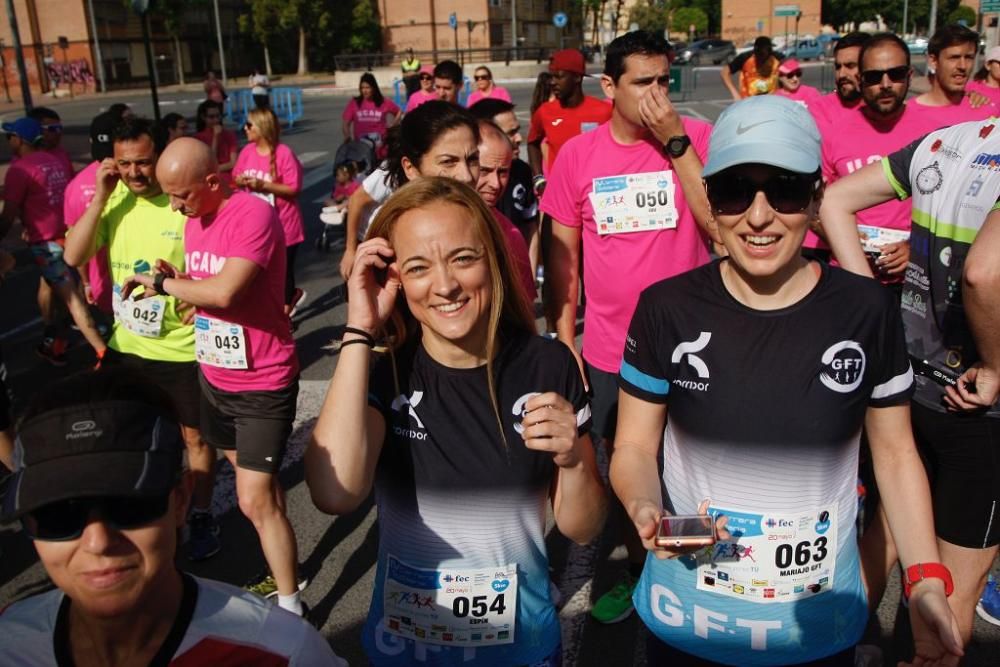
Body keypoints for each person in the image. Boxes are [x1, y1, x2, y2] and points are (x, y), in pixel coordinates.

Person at [613, 93, 963, 666]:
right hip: (690, 618)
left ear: (817, 198)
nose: (758, 215)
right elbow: (632, 445)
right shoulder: (665, 308)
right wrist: (647, 508)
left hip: (814, 626)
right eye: (733, 191)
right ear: (710, 199)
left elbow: (897, 456)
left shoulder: (866, 310)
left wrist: (925, 578)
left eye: (784, 189)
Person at [307, 176, 606, 666]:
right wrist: (361, 327)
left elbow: (584, 528)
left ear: (491, 258)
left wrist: (572, 461)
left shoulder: (549, 366)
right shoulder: (386, 371)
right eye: (419, 267)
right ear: (395, 277)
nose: (445, 286)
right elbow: (334, 493)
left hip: (519, 648)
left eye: (463, 259)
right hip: (404, 649)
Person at [540, 30, 713, 626]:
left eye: (665, 81)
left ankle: (681, 575)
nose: (657, 96)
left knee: (688, 469)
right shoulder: (578, 159)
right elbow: (561, 257)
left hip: (696, 351)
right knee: (623, 465)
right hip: (613, 352)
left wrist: (677, 145)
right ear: (609, 87)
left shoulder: (693, 140)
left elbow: (719, 226)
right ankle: (637, 570)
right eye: (643, 83)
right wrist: (566, 341)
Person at [0, 368, 346, 665]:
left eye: (129, 505)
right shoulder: (8, 642)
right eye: (57, 514)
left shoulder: (283, 653)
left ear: (181, 499)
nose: (98, 541)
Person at [821, 114, 1000, 649]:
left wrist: (871, 307)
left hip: (911, 385)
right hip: (977, 407)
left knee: (886, 538)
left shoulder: (952, 138)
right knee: (951, 599)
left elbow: (834, 201)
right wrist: (993, 367)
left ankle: (825, 652)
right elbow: (983, 274)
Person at [122, 137, 306, 614]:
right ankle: (285, 562)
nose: (175, 205)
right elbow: (203, 286)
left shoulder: (251, 215)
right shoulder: (195, 219)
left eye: (181, 194)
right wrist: (176, 283)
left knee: (251, 499)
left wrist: (161, 283)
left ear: (211, 181)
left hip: (261, 380)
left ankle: (291, 608)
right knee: (262, 495)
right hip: (215, 375)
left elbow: (225, 292)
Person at [64, 116, 221, 563]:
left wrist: (196, 291)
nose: (134, 173)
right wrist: (99, 198)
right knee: (120, 434)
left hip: (182, 348)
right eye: (125, 163)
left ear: (161, 157)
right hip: (128, 345)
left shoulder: (182, 201)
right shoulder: (113, 202)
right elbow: (74, 255)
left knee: (195, 441)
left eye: (144, 163)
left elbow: (216, 258)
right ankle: (139, 510)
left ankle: (202, 513)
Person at [816, 32, 944, 274]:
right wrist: (847, 240)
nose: (885, 85)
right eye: (874, 77)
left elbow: (948, 208)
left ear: (909, 76)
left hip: (914, 277)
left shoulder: (935, 135)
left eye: (895, 74)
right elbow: (814, 208)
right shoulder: (834, 134)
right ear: (861, 80)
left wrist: (913, 246)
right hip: (850, 276)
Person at [0, 117, 107, 366]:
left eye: (9, 137)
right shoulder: (55, 159)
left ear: (20, 140)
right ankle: (55, 340)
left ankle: (102, 352)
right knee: (58, 288)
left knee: (71, 298)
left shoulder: (20, 169)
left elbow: (8, 216)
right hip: (69, 234)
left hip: (46, 243)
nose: (8, 142)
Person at [234, 107, 307, 317]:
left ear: (262, 128)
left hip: (285, 225)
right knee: (261, 272)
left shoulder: (284, 154)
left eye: (249, 125)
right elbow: (236, 176)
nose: (245, 129)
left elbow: (294, 188)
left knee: (283, 273)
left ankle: (284, 314)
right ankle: (282, 302)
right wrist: (240, 181)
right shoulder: (247, 151)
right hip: (256, 225)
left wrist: (263, 185)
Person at [470, 98, 539, 277]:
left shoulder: (523, 171)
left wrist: (528, 278)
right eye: (511, 132)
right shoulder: (463, 179)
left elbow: (530, 227)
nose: (519, 138)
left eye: (503, 173)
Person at [528, 48, 612, 193]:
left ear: (577, 77)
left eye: (559, 77)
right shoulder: (545, 111)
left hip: (596, 193)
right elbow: (532, 143)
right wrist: (538, 179)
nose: (552, 82)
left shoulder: (605, 111)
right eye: (551, 77)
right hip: (560, 194)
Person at [475, 119, 536, 302]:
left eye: (502, 172)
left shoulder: (511, 235)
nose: (495, 184)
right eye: (484, 171)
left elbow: (524, 310)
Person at [912, 24, 998, 123]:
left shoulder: (987, 114)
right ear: (933, 61)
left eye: (969, 58)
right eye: (954, 57)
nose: (962, 66)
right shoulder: (905, 116)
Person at [809, 31, 871, 128]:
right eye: (838, 67)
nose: (841, 74)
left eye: (850, 66)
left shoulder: (886, 109)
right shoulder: (820, 109)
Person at [342, 72, 400, 161]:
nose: (364, 90)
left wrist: (393, 126)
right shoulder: (355, 103)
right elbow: (346, 122)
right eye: (362, 88)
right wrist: (347, 136)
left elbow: (399, 112)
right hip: (362, 151)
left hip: (381, 151)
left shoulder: (383, 102)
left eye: (367, 87)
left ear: (373, 88)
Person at [721, 36, 780, 100]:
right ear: (755, 50)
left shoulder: (777, 58)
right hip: (748, 101)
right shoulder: (745, 58)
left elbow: (789, 69)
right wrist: (734, 93)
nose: (762, 59)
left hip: (772, 101)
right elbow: (724, 72)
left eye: (765, 54)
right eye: (760, 54)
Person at [194, 100, 237, 182]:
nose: (216, 120)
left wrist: (215, 169)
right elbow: (210, 161)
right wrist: (215, 138)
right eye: (211, 117)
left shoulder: (229, 135)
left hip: (229, 178)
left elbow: (233, 163)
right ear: (203, 117)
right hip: (211, 180)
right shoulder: (198, 138)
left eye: (218, 116)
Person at [28, 106, 73, 173]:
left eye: (59, 128)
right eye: (53, 128)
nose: (58, 132)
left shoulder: (62, 153)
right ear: (37, 129)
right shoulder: (24, 161)